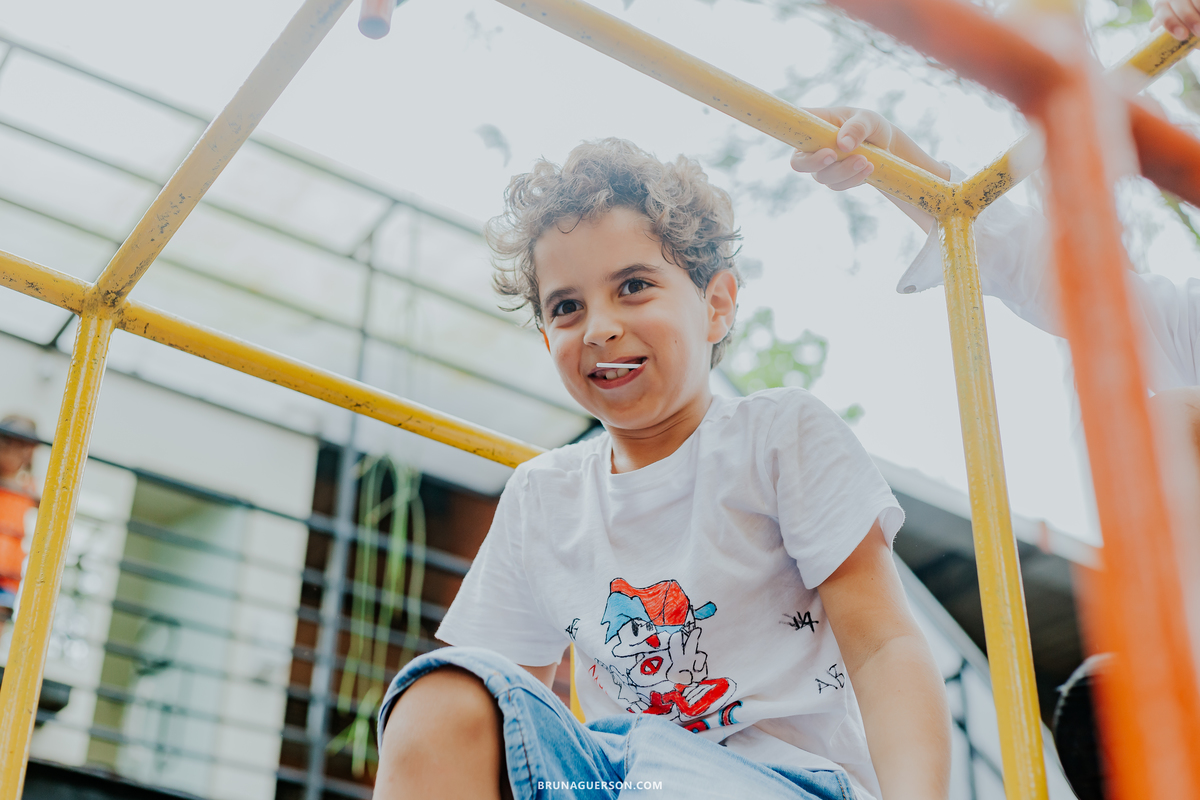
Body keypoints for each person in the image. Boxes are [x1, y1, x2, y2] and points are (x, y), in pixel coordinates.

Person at [371, 139, 951, 800]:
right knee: (442, 698)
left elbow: (882, 648)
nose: (599, 327)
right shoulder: (543, 496)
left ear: (717, 305)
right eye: (567, 307)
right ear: (546, 341)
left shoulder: (776, 438)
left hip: (776, 780)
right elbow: (505, 708)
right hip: (621, 774)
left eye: (633, 286)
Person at [0, 415, 39, 620]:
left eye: (23, 447)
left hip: (8, 573)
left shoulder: (28, 486)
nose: (15, 453)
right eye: (9, 445)